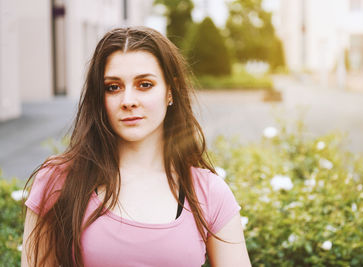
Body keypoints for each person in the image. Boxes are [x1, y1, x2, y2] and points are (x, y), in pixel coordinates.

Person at [21, 26, 251, 266]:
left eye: (145, 85)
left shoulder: (208, 193)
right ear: (100, 97)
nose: (128, 101)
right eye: (113, 87)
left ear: (171, 91)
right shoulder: (59, 180)